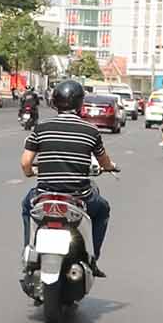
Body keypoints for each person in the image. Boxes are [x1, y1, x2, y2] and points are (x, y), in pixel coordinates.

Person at [20, 80, 116, 278]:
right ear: (80, 103)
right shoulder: (91, 131)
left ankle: (28, 252)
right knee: (103, 209)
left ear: (55, 102)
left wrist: (30, 172)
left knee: (26, 206)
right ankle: (93, 258)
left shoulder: (41, 128)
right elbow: (104, 160)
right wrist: (110, 167)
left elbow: (26, 162)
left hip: (44, 195)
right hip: (79, 197)